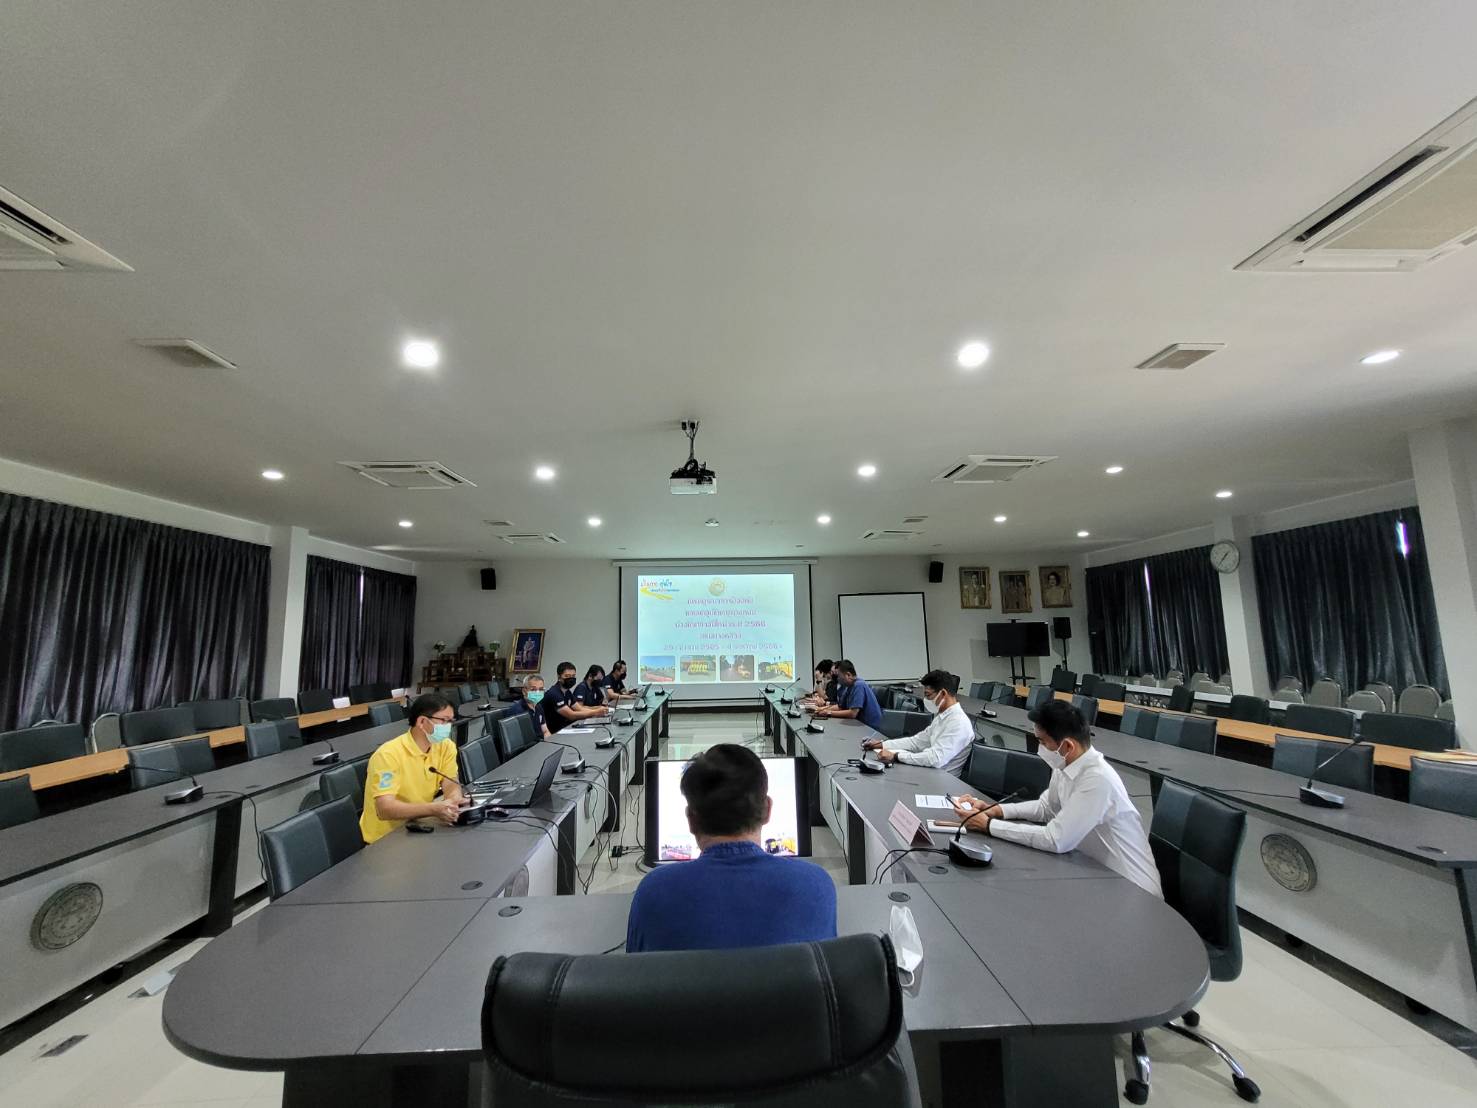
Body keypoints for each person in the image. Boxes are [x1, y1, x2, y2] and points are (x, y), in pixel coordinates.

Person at [625, 744, 836, 952]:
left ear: (691, 820)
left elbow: (636, 969)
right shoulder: (816, 886)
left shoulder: (653, 892)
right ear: (767, 810)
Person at [948, 700, 1161, 897]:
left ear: (1067, 746)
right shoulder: (1066, 764)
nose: (1039, 748)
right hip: (1095, 874)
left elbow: (1055, 839)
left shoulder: (1098, 779)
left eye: (1042, 741)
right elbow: (1046, 808)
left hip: (1133, 889)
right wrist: (996, 810)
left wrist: (989, 825)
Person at [359, 692, 466, 844]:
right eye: (444, 720)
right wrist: (433, 809)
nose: (448, 727)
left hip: (419, 825)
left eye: (450, 721)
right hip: (385, 838)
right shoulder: (388, 755)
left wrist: (454, 800)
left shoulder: (445, 746)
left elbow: (450, 781)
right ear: (422, 721)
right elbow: (384, 809)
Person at [861, 669, 974, 773]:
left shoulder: (959, 723)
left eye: (928, 695)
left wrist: (896, 756)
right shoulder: (942, 716)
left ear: (943, 693)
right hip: (929, 773)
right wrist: (881, 745)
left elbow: (935, 759)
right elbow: (916, 742)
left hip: (942, 781)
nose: (926, 700)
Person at [812, 659, 882, 730]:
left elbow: (853, 713)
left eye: (838, 676)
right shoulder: (849, 687)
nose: (837, 679)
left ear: (848, 675)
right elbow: (840, 707)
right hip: (859, 724)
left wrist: (828, 713)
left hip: (870, 728)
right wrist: (822, 709)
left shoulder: (859, 685)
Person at [543, 661, 608, 734]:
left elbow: (580, 708)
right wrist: (595, 712)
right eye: (567, 676)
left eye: (573, 676)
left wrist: (599, 709)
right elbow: (571, 715)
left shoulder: (567, 692)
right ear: (559, 677)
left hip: (566, 728)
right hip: (555, 732)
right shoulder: (554, 693)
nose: (571, 678)